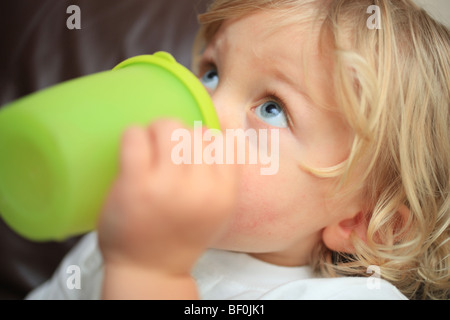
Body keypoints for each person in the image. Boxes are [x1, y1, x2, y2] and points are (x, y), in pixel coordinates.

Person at [27, 0, 449, 300]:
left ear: (362, 221)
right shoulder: (125, 227)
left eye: (272, 108)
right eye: (210, 73)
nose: (204, 108)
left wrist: (147, 273)